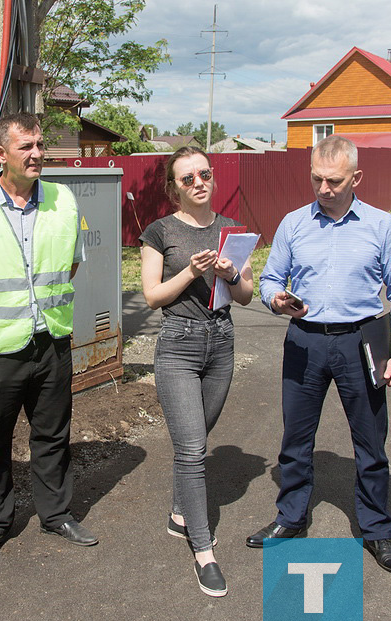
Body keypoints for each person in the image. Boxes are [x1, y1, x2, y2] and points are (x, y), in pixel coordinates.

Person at [249, 135, 391, 574]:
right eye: (317, 179)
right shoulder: (294, 223)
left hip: (362, 341)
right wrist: (276, 299)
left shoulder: (381, 226)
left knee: (370, 441)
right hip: (305, 340)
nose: (324, 188)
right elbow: (269, 279)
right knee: (296, 438)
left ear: (356, 177)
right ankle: (291, 517)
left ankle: (376, 529)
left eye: (334, 181)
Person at [0, 112, 96, 564]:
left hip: (51, 340)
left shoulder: (63, 200)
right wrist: (3, 309)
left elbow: (72, 261)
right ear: (1, 154)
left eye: (40, 145)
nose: (37, 154)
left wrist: (39, 306)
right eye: (26, 147)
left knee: (52, 434)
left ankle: (56, 514)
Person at [139, 147, 253, 597]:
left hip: (221, 344)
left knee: (198, 439)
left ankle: (178, 510)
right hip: (178, 346)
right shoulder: (160, 231)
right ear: (174, 189)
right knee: (191, 450)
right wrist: (190, 271)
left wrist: (228, 274)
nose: (199, 182)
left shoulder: (230, 229)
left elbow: (245, 295)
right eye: (188, 178)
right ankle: (204, 551)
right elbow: (152, 296)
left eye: (204, 173)